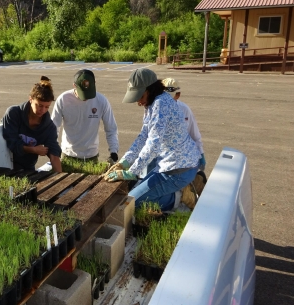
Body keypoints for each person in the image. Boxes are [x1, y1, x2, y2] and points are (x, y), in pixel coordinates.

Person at [104, 68, 200, 211]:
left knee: (132, 204)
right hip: (168, 165)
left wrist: (132, 172)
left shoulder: (161, 104)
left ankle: (179, 196)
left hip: (179, 169)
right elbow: (143, 136)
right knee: (135, 193)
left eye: (140, 97)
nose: (138, 102)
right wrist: (124, 162)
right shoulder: (152, 104)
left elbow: (153, 143)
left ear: (149, 90)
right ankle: (176, 191)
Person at [51, 69, 119, 164]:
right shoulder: (63, 100)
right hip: (68, 155)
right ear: (74, 85)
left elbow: (111, 129)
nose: (86, 98)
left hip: (91, 156)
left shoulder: (102, 101)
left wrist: (113, 151)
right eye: (83, 93)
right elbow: (54, 127)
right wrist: (54, 149)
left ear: (94, 83)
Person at [2, 76, 62, 172]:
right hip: (6, 166)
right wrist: (33, 150)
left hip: (28, 168)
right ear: (31, 99)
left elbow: (54, 155)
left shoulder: (49, 127)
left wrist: (60, 178)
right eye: (39, 105)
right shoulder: (13, 113)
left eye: (47, 107)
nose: (43, 110)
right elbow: (12, 143)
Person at [162, 78, 206, 171]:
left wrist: (201, 154)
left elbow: (194, 134)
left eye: (169, 98)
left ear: (178, 95)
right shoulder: (154, 110)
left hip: (178, 159)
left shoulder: (184, 110)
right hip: (158, 154)